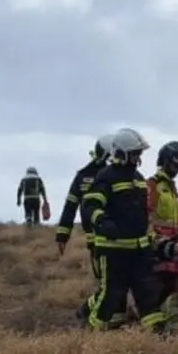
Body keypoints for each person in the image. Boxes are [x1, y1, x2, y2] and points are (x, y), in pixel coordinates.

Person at [80, 128, 168, 333]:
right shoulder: (106, 176)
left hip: (138, 251)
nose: (138, 157)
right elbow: (90, 205)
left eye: (139, 153)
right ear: (121, 153)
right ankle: (90, 334)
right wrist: (102, 222)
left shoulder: (137, 178)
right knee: (111, 295)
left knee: (148, 293)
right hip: (113, 251)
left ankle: (157, 335)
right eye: (135, 153)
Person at [58, 134, 118, 323]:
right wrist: (62, 234)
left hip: (121, 238)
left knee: (116, 282)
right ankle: (88, 315)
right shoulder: (86, 176)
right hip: (98, 240)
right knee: (108, 283)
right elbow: (71, 205)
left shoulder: (118, 173)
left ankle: (111, 316)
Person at [148, 141, 178, 316]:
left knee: (173, 287)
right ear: (165, 161)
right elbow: (146, 217)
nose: (177, 169)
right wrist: (155, 240)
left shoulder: (171, 188)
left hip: (173, 247)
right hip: (157, 247)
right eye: (175, 164)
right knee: (155, 291)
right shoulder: (153, 185)